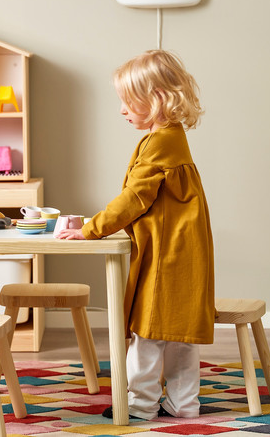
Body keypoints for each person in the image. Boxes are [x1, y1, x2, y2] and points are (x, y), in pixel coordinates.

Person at [55, 49, 215, 420]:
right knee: (178, 335)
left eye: (128, 101)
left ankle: (140, 406)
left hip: (167, 254)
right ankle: (184, 404)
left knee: (148, 332)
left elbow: (134, 199)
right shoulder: (170, 137)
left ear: (156, 100)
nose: (123, 109)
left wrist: (91, 229)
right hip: (186, 250)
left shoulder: (159, 143)